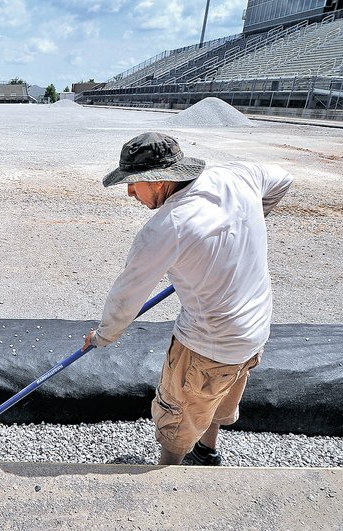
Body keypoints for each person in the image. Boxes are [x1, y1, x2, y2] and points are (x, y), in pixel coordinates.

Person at [83, 132, 293, 466]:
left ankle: (169, 475)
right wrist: (246, 222)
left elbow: (127, 295)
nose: (129, 191)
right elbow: (283, 179)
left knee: (178, 417)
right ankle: (207, 453)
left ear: (160, 180)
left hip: (206, 345)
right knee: (217, 395)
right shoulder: (237, 177)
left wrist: (103, 335)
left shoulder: (166, 228)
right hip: (253, 334)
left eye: (135, 183)